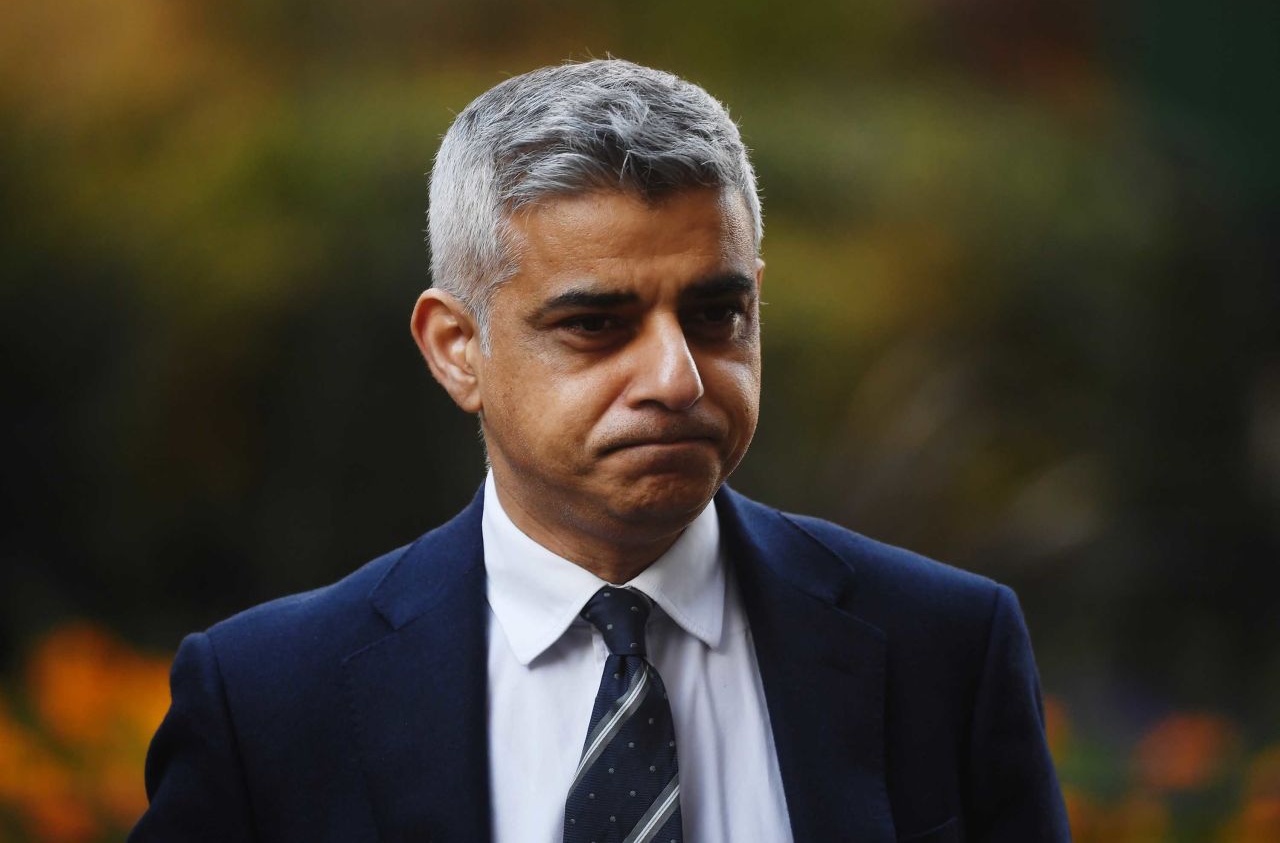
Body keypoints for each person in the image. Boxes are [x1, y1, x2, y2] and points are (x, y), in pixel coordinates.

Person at [131, 59, 1070, 843]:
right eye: (595, 323)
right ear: (458, 348)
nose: (678, 377)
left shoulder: (946, 650)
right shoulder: (267, 701)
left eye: (716, 314)